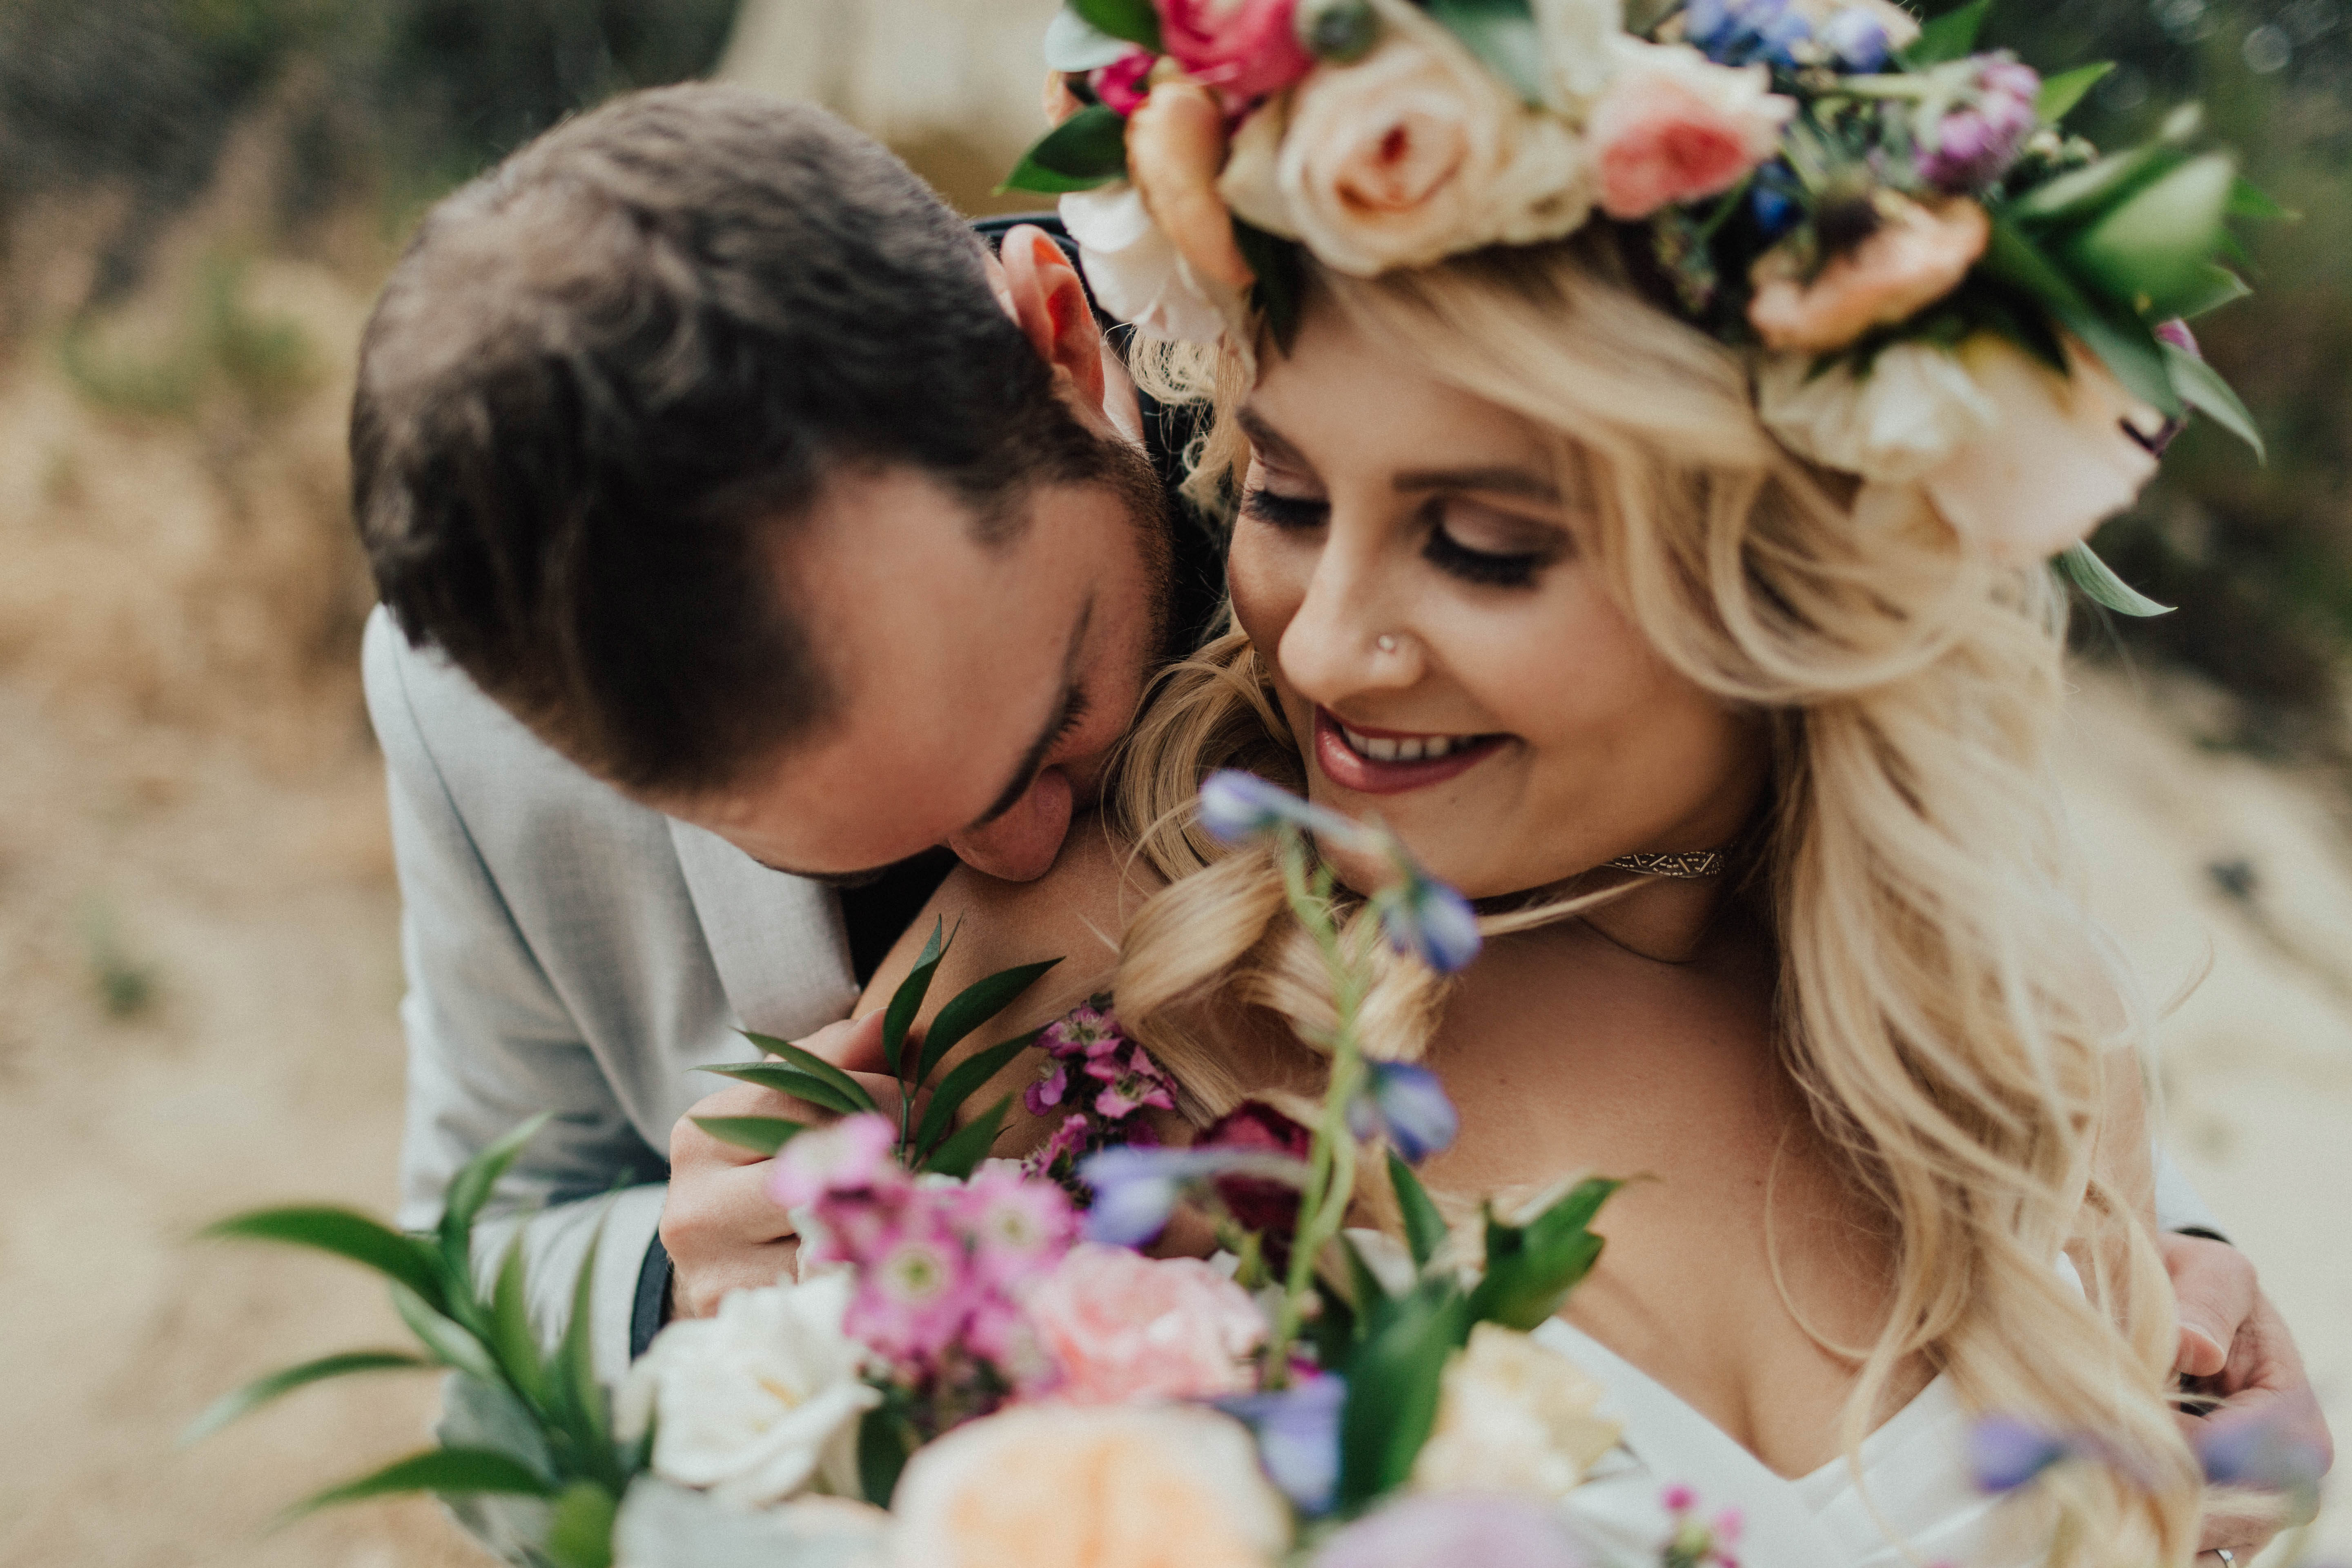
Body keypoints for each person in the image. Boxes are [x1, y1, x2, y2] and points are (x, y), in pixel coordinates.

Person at [815, 14, 2335, 1564]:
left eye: (1483, 547)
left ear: (1783, 574)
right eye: (1285, 496)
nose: (1329, 642)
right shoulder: (1098, 972)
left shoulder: (2022, 1029)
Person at [351, 83, 1219, 1368]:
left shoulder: (1336, 428)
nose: (1025, 859)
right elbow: (473, 1262)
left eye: (1054, 726)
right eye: (843, 855)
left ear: (1062, 342)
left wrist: (1145, 859)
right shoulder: (471, 716)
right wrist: (672, 1288)